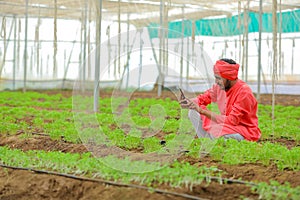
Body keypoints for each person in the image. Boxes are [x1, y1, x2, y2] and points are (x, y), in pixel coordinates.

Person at [180, 58, 261, 142]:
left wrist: (203, 111)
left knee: (218, 132)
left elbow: (232, 121)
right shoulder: (219, 87)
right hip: (225, 126)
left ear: (229, 77)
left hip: (243, 131)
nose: (216, 81)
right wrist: (189, 102)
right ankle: (207, 142)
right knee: (193, 112)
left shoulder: (244, 92)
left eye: (219, 78)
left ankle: (214, 142)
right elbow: (203, 98)